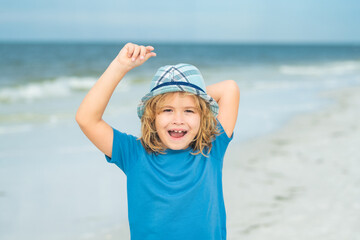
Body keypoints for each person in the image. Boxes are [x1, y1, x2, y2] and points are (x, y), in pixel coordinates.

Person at [76, 43, 240, 240]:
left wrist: (191, 98)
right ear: (151, 115)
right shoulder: (133, 153)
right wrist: (119, 66)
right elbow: (86, 119)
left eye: (189, 111)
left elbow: (230, 88)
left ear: (203, 115)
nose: (178, 119)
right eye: (167, 110)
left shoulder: (212, 147)